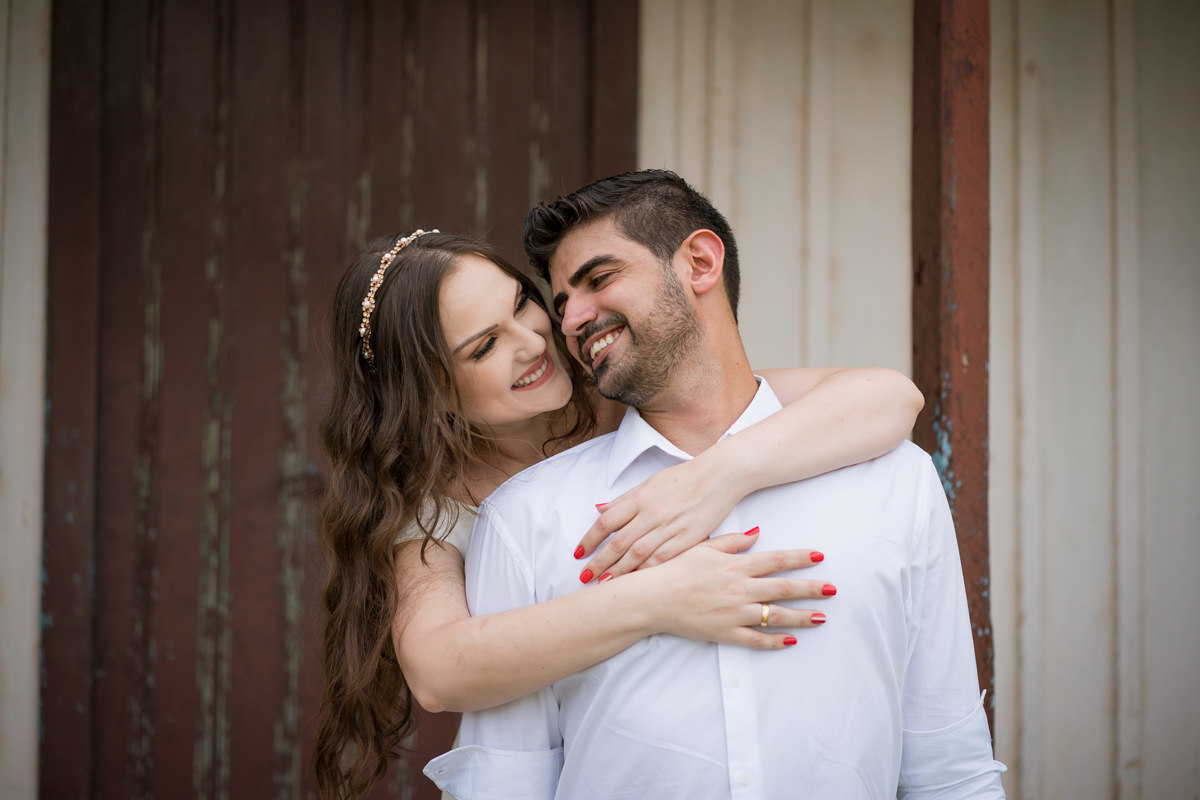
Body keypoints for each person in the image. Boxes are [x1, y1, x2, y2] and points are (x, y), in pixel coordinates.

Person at [424, 170, 1007, 799]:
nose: (569, 323)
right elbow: (503, 783)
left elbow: (949, 764)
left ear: (699, 262)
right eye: (562, 303)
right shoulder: (525, 519)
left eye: (598, 279)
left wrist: (715, 476)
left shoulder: (895, 478)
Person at [314, 225, 924, 799]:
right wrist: (660, 600)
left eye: (523, 305)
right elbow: (439, 669)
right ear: (428, 390)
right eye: (487, 345)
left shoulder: (626, 395)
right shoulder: (435, 504)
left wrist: (716, 476)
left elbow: (891, 398)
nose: (535, 342)